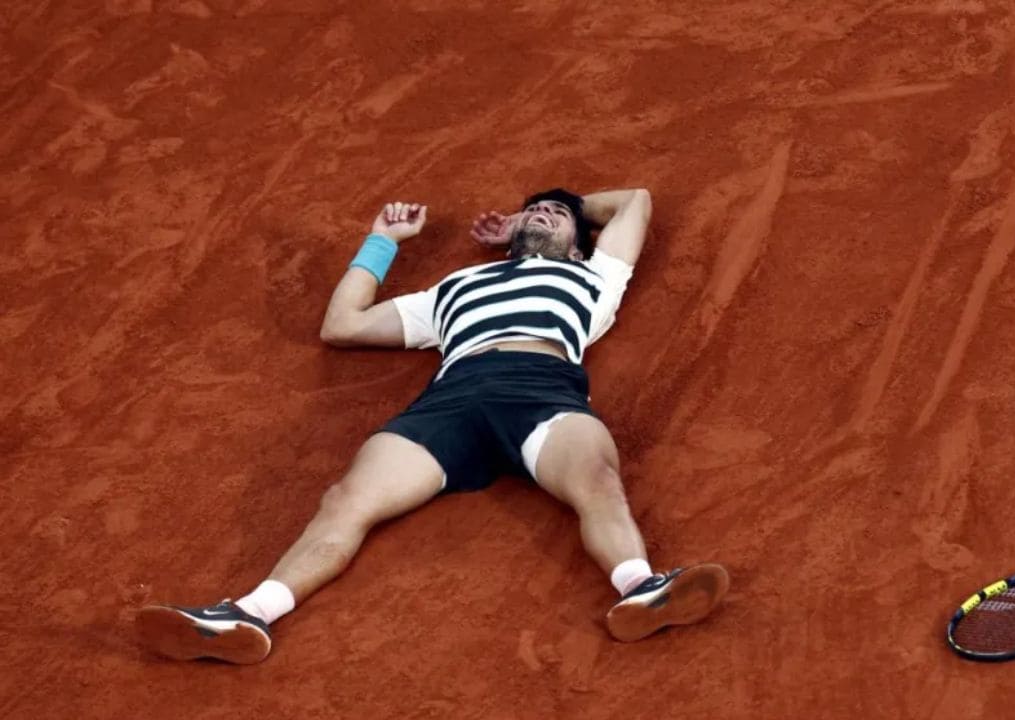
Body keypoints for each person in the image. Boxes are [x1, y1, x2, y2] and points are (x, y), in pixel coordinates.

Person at [135, 188, 730, 664]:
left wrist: (572, 206)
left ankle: (639, 588)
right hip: (450, 401)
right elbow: (342, 325)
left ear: (581, 244)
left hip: (541, 390)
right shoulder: (453, 288)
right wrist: (381, 241)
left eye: (558, 214)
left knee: (597, 478)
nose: (543, 213)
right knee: (346, 498)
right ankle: (248, 614)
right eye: (535, 208)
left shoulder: (594, 276)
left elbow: (636, 202)